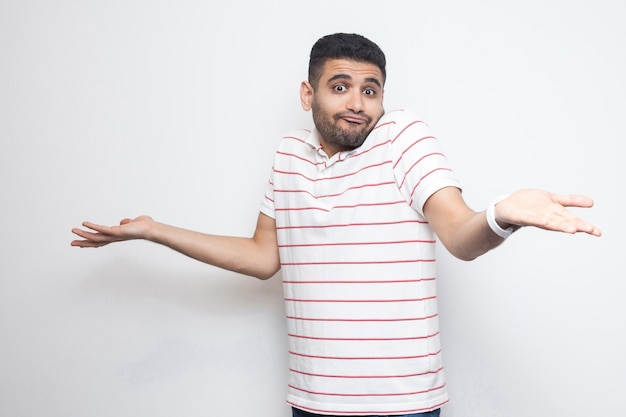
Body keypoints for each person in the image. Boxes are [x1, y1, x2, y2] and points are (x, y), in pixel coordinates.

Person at [71, 33, 601, 417]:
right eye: (340, 86)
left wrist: (499, 215)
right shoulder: (286, 156)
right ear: (308, 95)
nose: (357, 104)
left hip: (404, 405)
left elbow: (460, 235)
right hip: (315, 401)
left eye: (370, 90)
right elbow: (262, 258)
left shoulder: (403, 138)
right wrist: (155, 230)